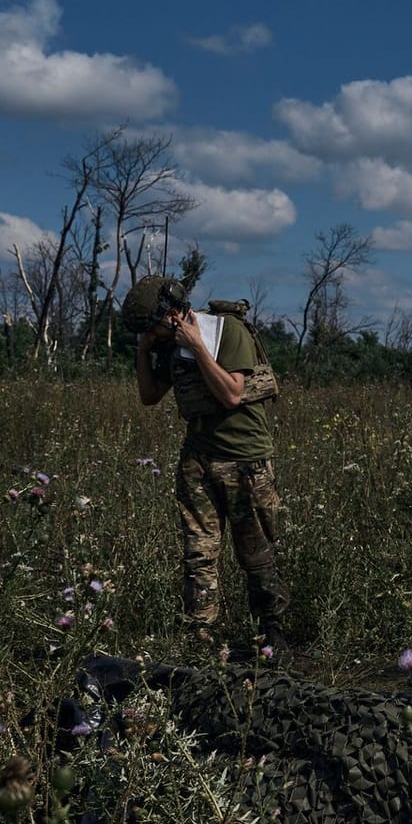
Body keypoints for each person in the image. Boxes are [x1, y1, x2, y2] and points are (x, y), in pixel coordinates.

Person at [122, 276, 289, 658]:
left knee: (256, 552)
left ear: (175, 313)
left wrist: (196, 346)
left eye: (154, 326)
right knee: (199, 553)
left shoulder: (224, 331)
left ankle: (272, 634)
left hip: (245, 459)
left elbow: (232, 393)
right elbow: (149, 396)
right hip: (198, 459)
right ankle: (200, 638)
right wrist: (144, 350)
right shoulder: (166, 346)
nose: (153, 334)